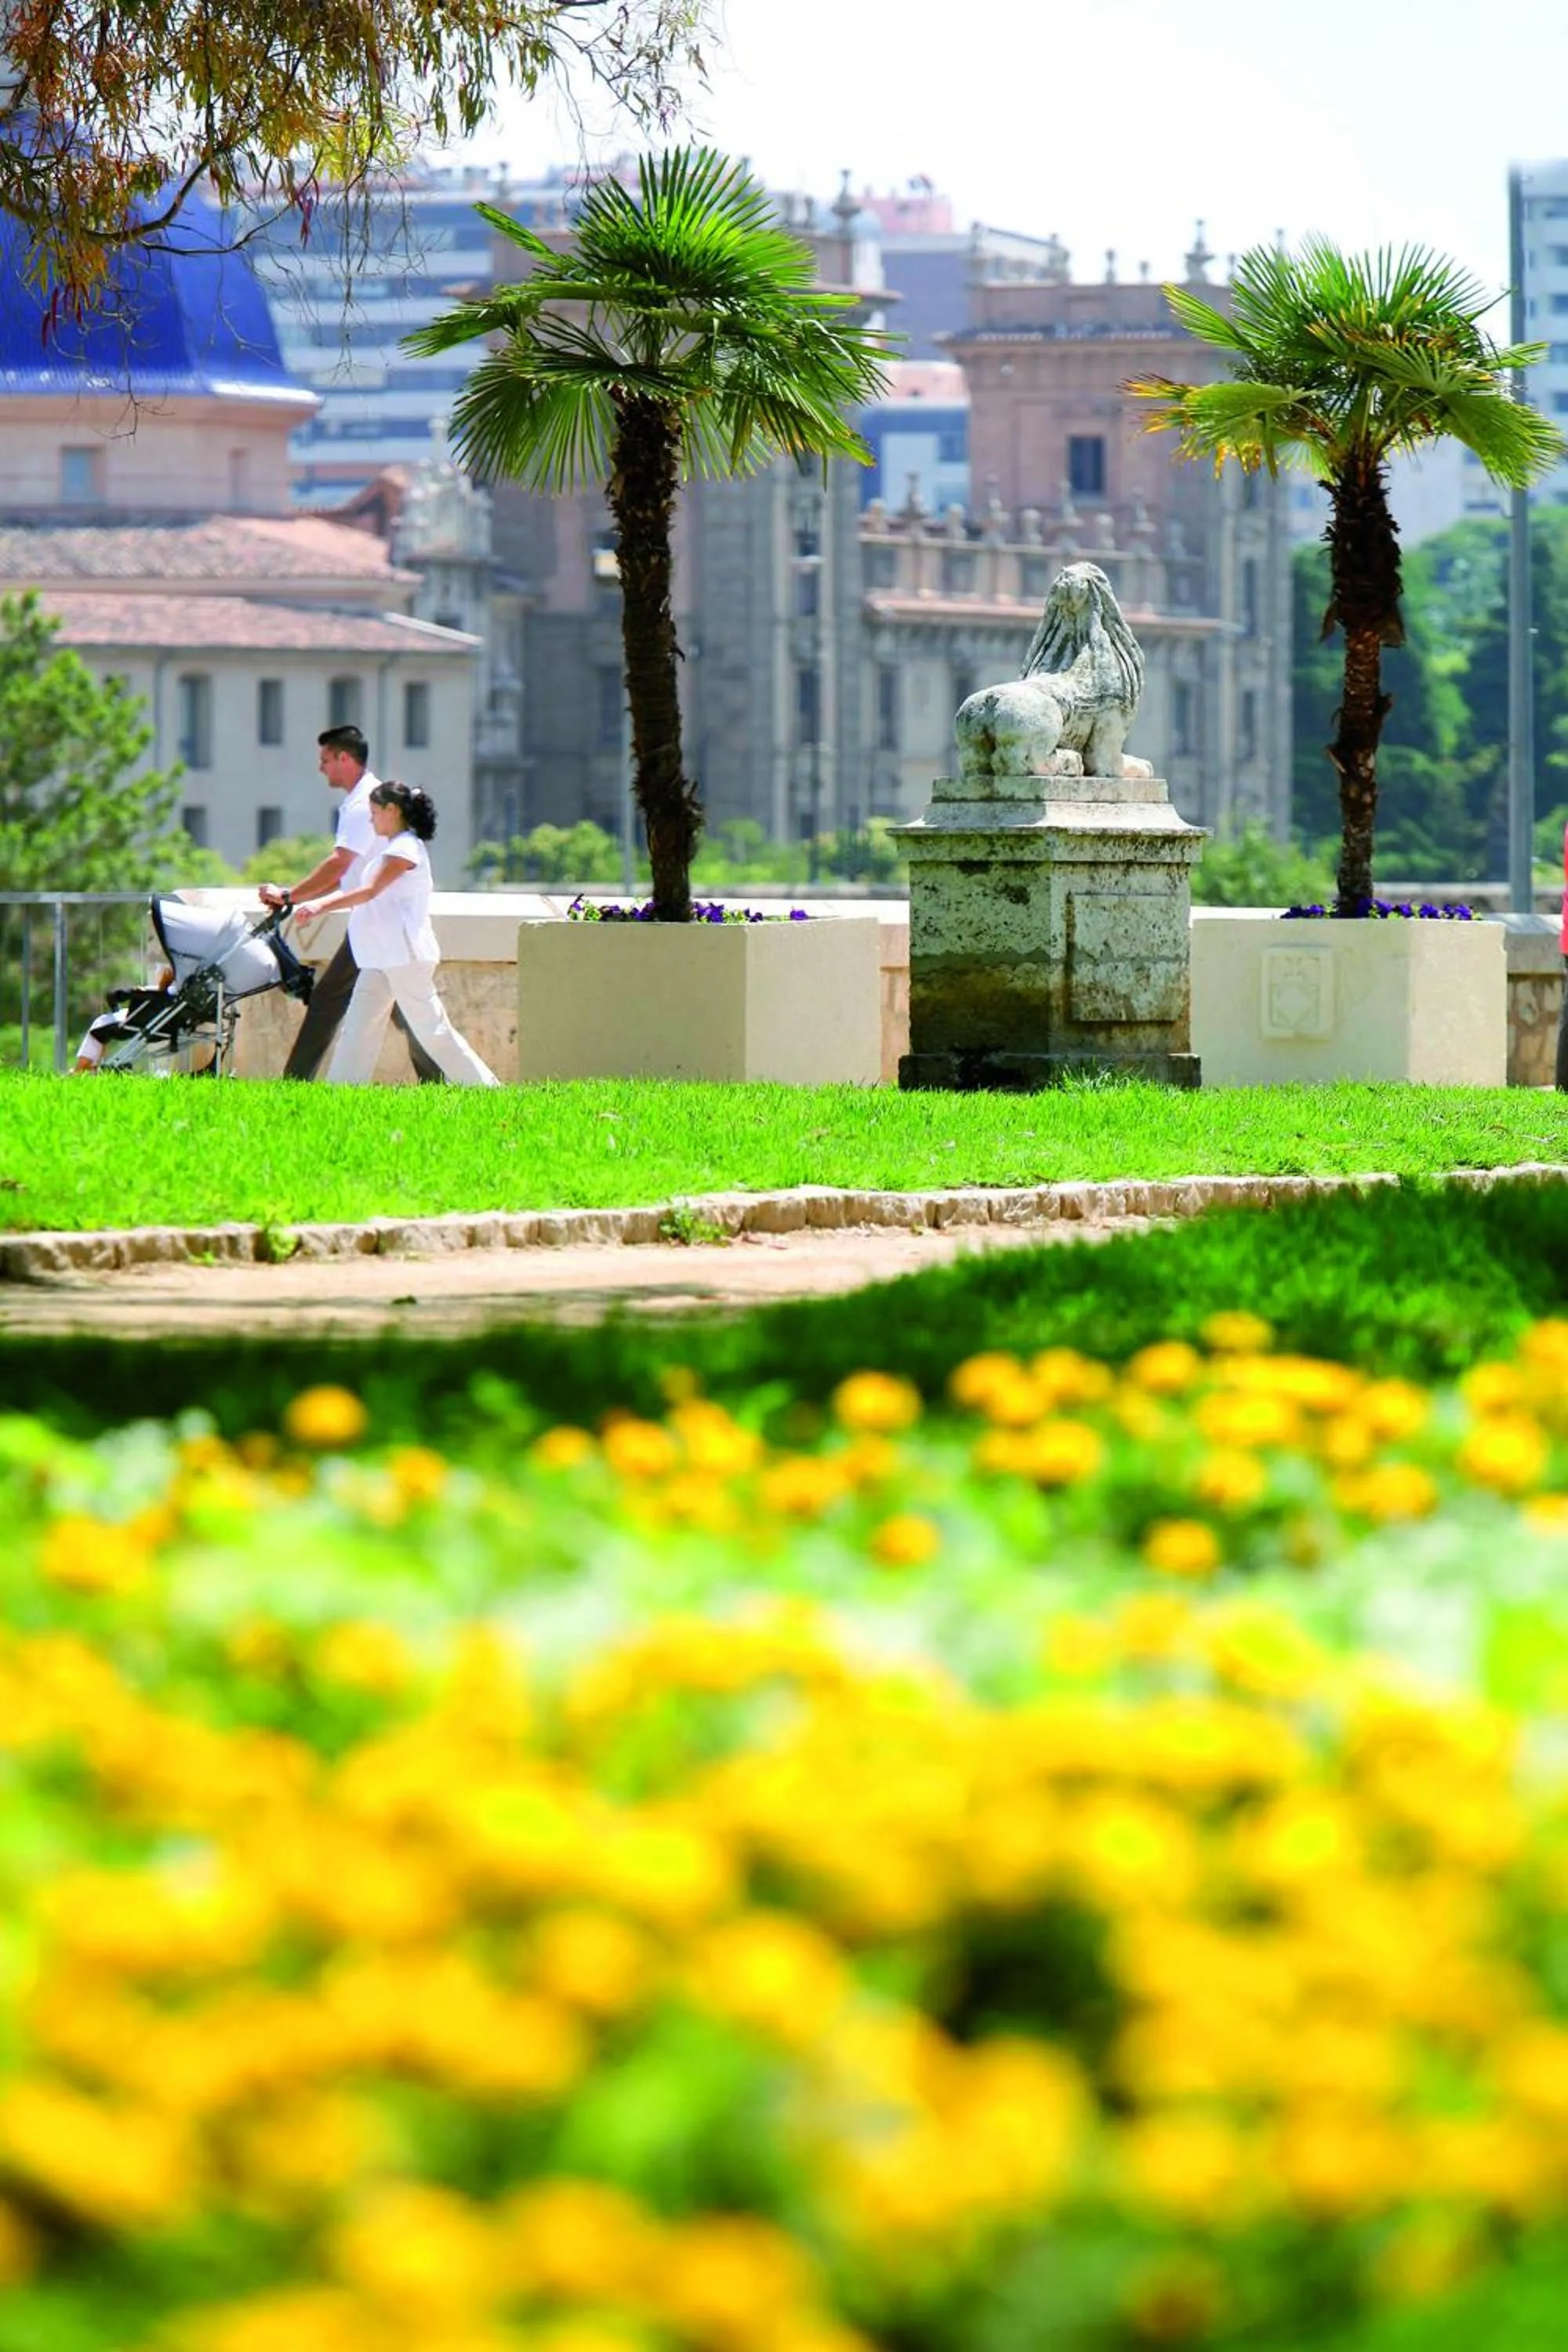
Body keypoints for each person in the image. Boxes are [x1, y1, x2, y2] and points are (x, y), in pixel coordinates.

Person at [258, 724, 444, 1083]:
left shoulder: (363, 805)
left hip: (378, 926)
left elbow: (339, 866)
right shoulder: (364, 802)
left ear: (345, 758)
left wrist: (290, 896)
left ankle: (295, 1083)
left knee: (335, 1002)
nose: (321, 768)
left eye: (326, 759)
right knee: (398, 1009)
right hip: (375, 926)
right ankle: (439, 1081)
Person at [296, 781, 500, 1087]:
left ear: (392, 810)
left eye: (375, 812)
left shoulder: (404, 848)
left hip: (403, 956)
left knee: (432, 1029)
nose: (371, 819)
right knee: (359, 1025)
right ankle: (341, 1091)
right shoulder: (397, 847)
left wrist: (318, 906)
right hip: (382, 955)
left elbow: (369, 891)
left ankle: (486, 1088)